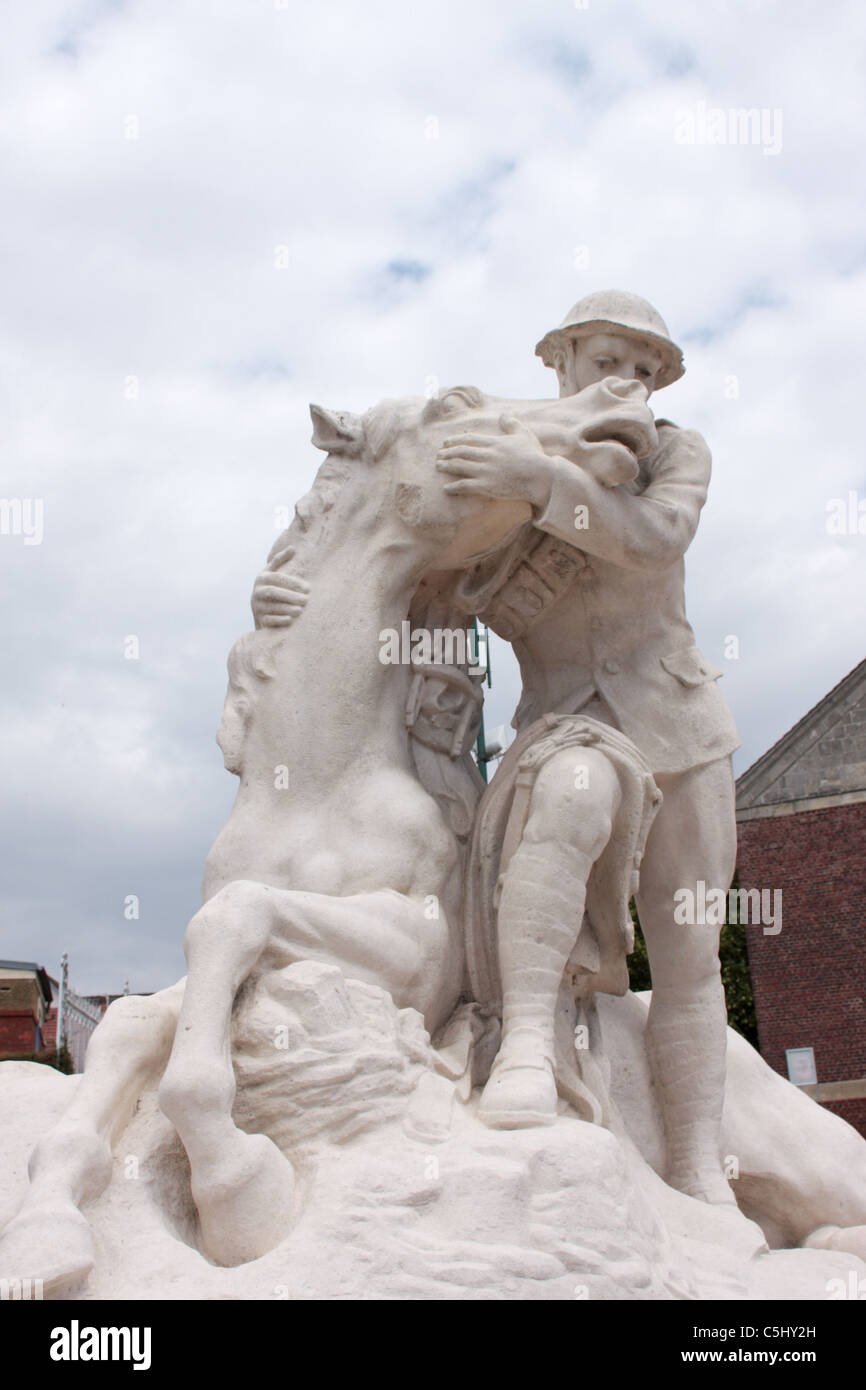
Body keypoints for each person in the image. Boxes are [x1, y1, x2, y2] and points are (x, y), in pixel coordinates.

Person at [434, 290, 740, 1205]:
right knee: (568, 796)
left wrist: (543, 486)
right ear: (560, 360)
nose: (629, 381)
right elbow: (411, 560)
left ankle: (697, 1169)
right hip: (569, 717)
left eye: (647, 369)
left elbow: (654, 539)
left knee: (690, 951)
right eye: (609, 359)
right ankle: (526, 1046)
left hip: (681, 726)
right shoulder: (505, 448)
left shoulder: (674, 453)